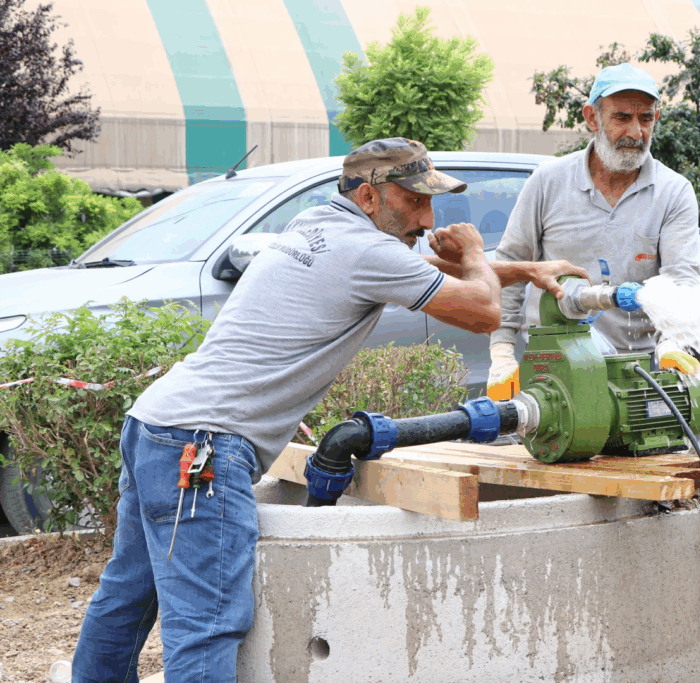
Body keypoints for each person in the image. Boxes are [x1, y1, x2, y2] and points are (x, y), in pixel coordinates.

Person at [70, 137, 587, 683]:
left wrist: (526, 270)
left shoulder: (316, 224)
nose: (428, 217)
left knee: (126, 597)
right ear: (370, 196)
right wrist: (478, 253)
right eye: (414, 202)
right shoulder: (367, 253)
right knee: (207, 623)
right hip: (204, 448)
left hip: (157, 424)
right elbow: (483, 311)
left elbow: (421, 272)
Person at [487, 63, 700, 401]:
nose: (636, 132)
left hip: (637, 372)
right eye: (622, 117)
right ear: (592, 117)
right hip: (555, 370)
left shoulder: (673, 192)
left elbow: (682, 281)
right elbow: (511, 268)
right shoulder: (548, 182)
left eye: (646, 118)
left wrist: (673, 343)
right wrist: (501, 356)